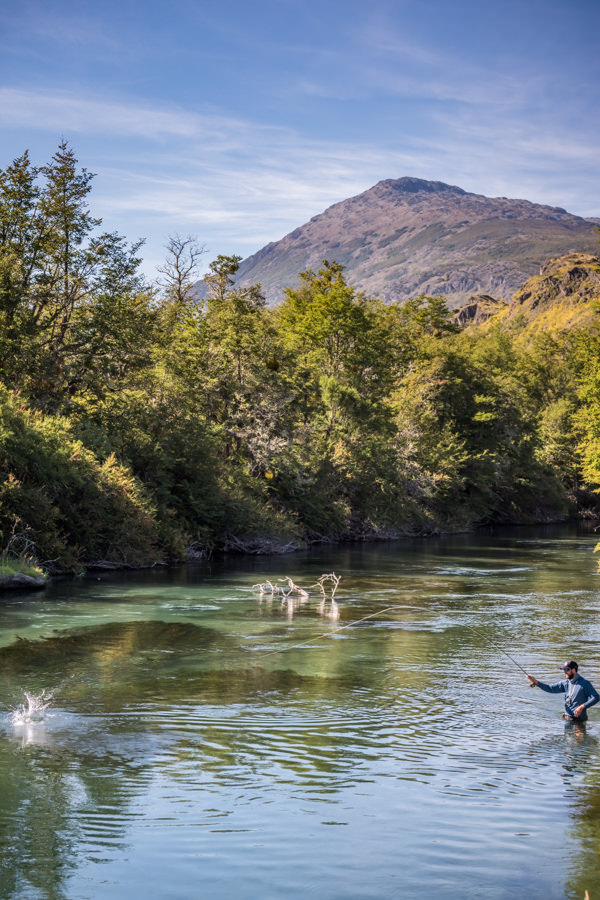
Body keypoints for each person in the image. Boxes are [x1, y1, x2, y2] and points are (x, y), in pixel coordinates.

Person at [526, 661, 600, 721]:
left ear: (574, 670)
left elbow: (596, 697)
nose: (564, 672)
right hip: (567, 719)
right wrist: (536, 682)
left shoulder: (585, 683)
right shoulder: (565, 683)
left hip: (578, 721)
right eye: (563, 669)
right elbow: (550, 688)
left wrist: (582, 707)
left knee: (578, 739)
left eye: (567, 669)